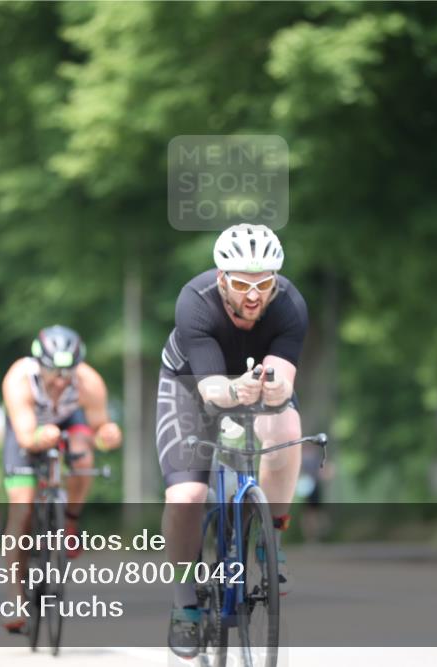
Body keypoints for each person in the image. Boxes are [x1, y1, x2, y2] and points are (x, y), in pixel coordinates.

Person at [157, 224, 307, 658]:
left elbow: (283, 376)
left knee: (286, 430)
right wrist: (234, 389)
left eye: (264, 283)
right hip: (191, 385)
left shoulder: (290, 305)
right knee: (187, 493)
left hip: (252, 382)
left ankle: (270, 540)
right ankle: (185, 603)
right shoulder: (195, 302)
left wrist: (275, 389)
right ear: (222, 278)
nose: (254, 295)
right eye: (242, 284)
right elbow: (211, 391)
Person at [0, 325, 122, 633]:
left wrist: (107, 436)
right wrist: (42, 436)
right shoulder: (19, 379)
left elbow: (98, 432)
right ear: (39, 364)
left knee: (83, 457)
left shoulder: (88, 382)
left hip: (66, 421)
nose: (61, 379)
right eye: (54, 371)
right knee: (22, 507)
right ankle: (15, 596)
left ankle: (69, 520)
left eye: (68, 371)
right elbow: (27, 438)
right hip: (27, 429)